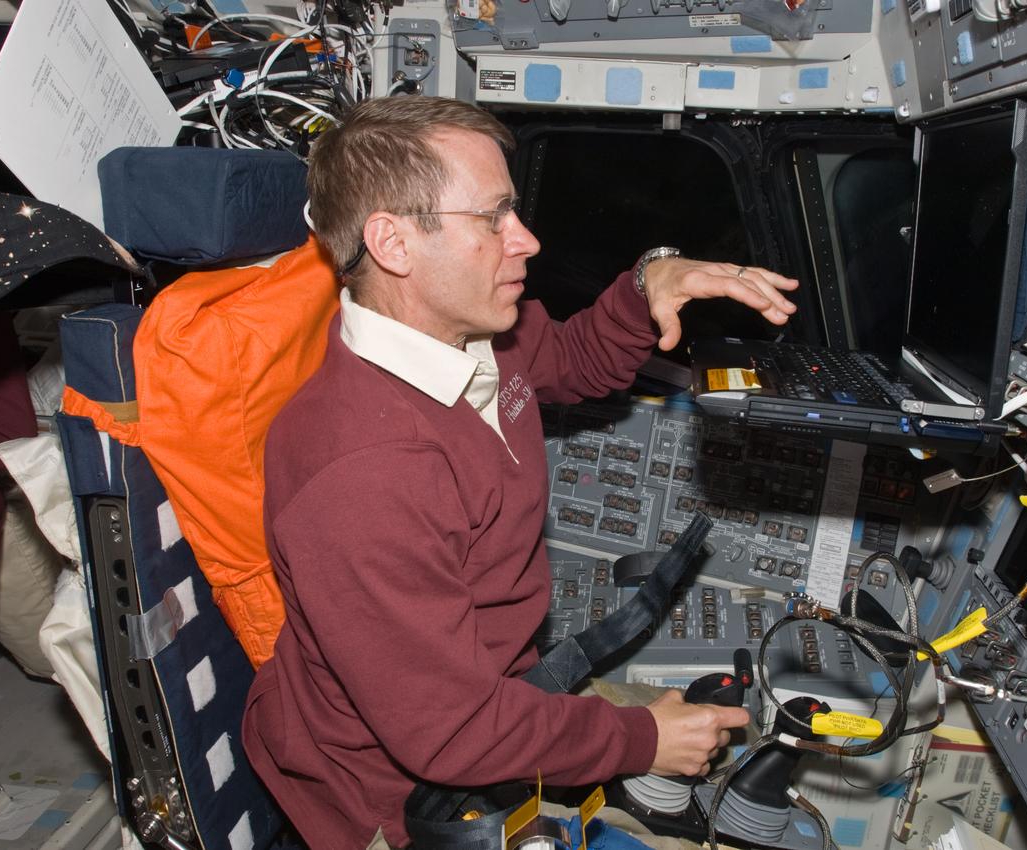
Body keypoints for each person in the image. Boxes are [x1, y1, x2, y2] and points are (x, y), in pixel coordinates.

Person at [241, 95, 799, 850]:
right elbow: (452, 732)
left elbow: (573, 360)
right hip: (404, 799)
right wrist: (641, 741)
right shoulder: (360, 476)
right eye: (495, 217)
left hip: (496, 702)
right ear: (395, 244)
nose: (528, 240)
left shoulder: (474, 337)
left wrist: (651, 285)